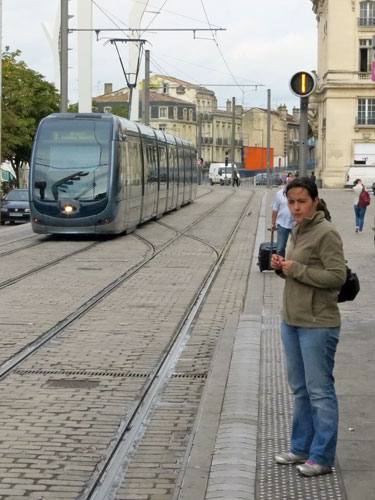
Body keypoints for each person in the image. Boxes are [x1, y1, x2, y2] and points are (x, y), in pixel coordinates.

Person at [271, 177, 346, 477]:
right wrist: (282, 268)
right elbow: (299, 274)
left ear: (315, 201)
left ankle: (322, 456)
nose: (296, 207)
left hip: (318, 324)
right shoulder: (298, 229)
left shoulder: (326, 232)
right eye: (291, 202)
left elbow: (336, 276)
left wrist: (297, 269)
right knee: (300, 390)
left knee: (320, 391)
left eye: (302, 201)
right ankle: (300, 448)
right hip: (292, 320)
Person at [271, 173, 295, 257]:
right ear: (286, 183)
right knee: (280, 247)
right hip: (282, 223)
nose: (291, 185)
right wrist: (273, 223)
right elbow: (275, 209)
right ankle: (280, 266)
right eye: (289, 182)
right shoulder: (279, 194)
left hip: (296, 224)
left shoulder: (299, 194)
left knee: (298, 246)